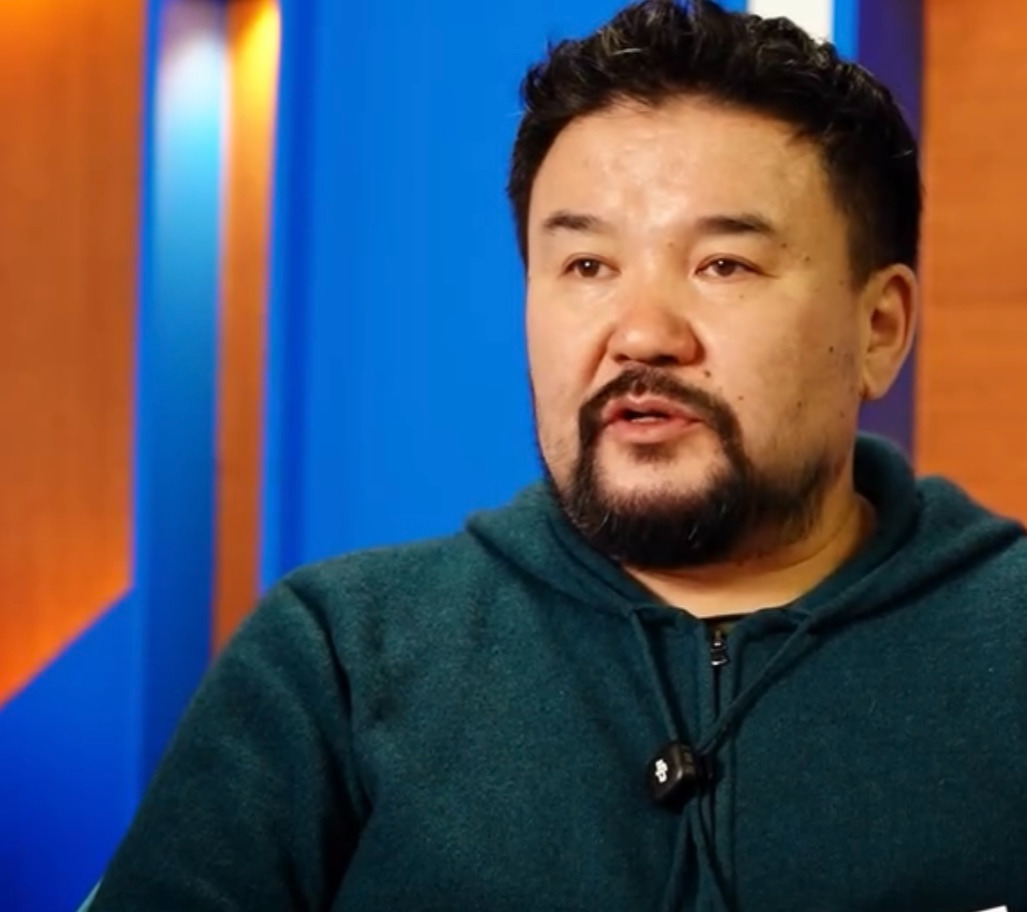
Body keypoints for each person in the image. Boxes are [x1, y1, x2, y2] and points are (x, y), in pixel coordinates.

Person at [85, 1, 1027, 910]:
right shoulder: (338, 656)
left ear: (878, 329)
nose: (641, 335)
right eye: (586, 266)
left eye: (722, 265)